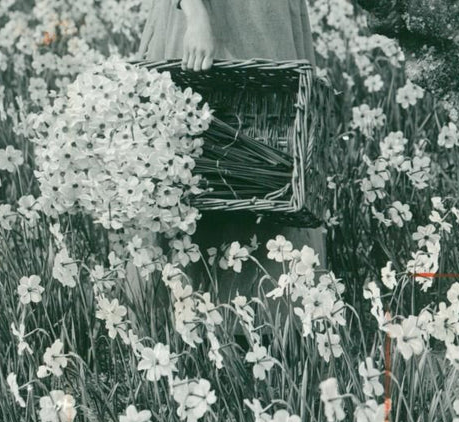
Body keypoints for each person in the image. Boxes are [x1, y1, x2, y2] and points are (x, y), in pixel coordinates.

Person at [134, 0, 326, 305]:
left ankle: (268, 316)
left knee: (273, 167)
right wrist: (196, 16)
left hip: (266, 20)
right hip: (207, 18)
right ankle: (190, 315)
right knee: (194, 170)